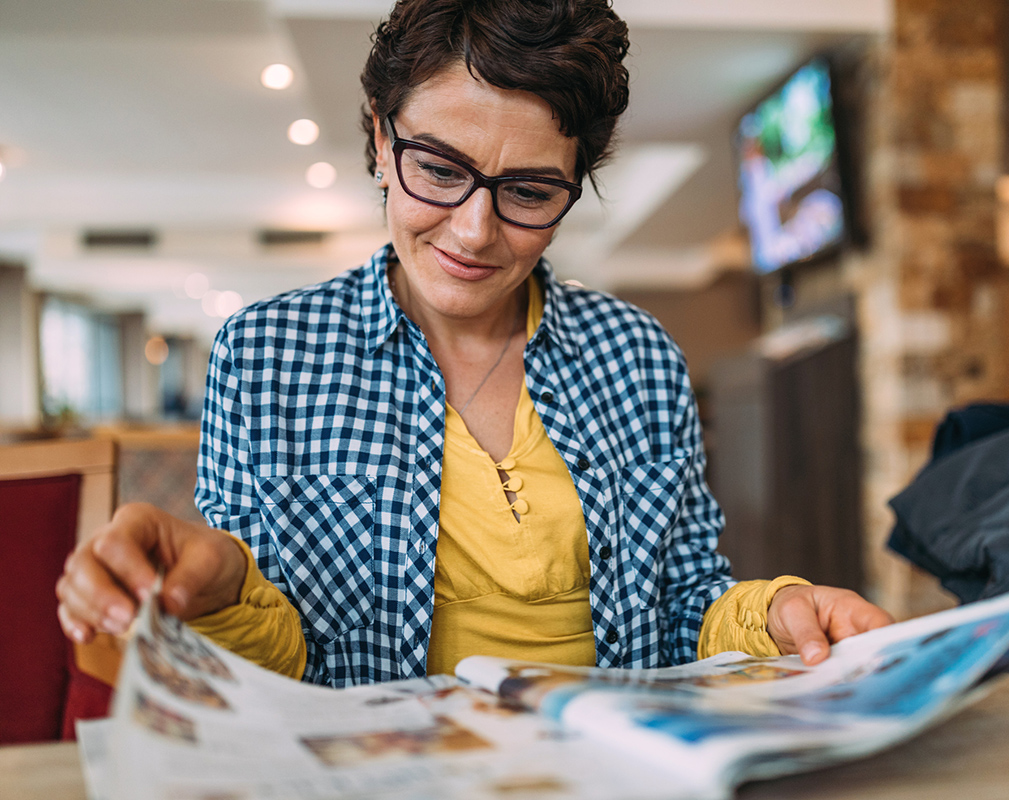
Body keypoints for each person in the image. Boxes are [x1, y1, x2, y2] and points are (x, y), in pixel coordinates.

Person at [56, 0, 892, 687]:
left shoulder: (639, 356)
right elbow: (289, 666)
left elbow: (682, 608)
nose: (474, 230)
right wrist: (224, 586)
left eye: (528, 190)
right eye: (441, 169)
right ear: (382, 141)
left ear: (574, 185)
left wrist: (775, 610)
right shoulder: (267, 355)